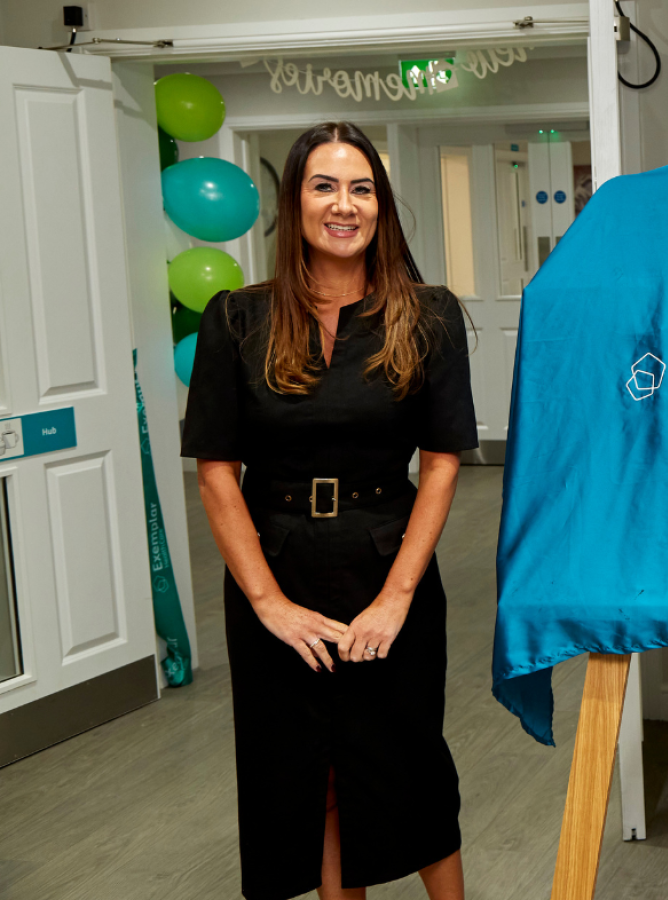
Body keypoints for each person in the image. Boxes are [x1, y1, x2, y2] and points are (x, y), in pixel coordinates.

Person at [183, 121, 476, 900]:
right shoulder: (236, 320)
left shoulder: (430, 314)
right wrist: (271, 606)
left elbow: (443, 462)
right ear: (295, 202)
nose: (343, 205)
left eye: (361, 188)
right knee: (306, 775)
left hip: (388, 563)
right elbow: (217, 471)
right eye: (324, 186)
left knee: (408, 760)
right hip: (274, 570)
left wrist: (395, 600)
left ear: (380, 204)